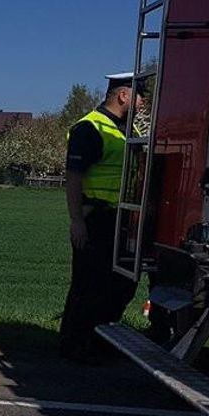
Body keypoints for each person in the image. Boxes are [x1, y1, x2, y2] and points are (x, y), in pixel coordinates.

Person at [59, 72, 145, 363]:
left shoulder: (123, 128)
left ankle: (99, 342)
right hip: (95, 217)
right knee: (88, 284)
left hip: (119, 219)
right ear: (123, 95)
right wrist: (77, 221)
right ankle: (74, 346)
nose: (143, 102)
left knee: (119, 285)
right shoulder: (90, 128)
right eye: (140, 96)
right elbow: (73, 177)